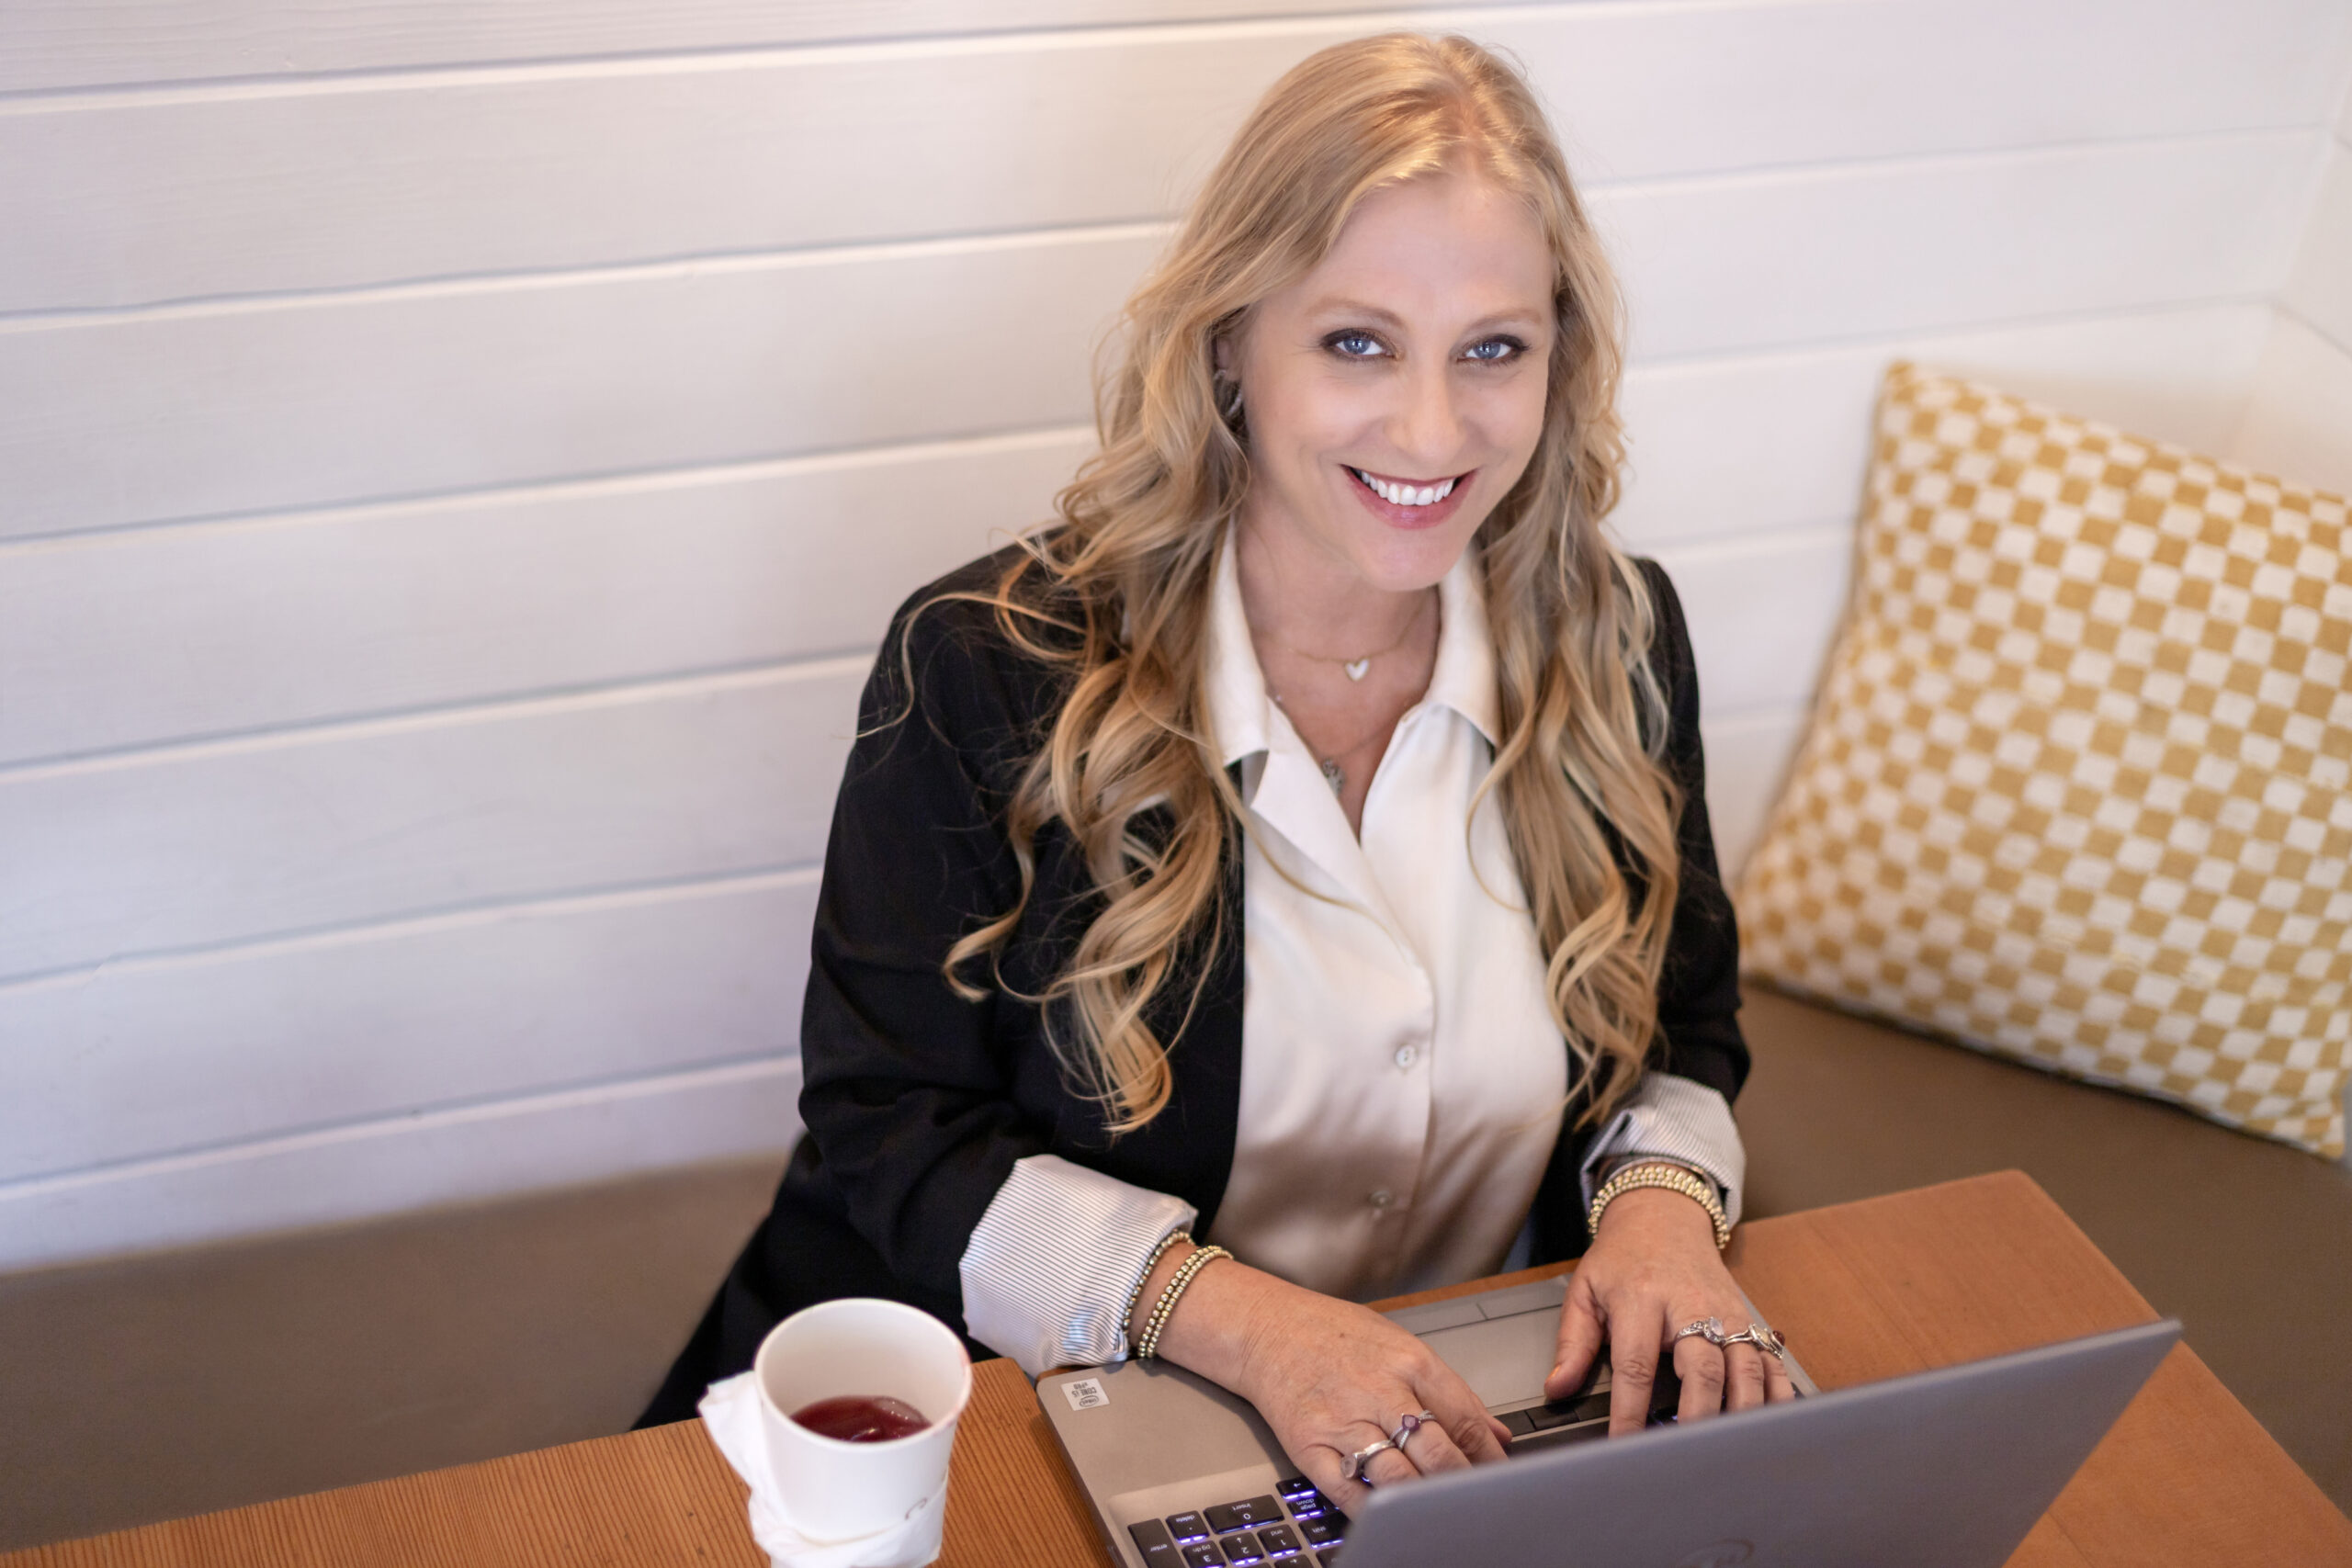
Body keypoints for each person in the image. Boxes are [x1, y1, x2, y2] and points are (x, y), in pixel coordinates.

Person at [639, 31, 1794, 1502]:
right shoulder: (984, 664)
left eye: (1493, 347)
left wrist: (1661, 1206)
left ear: (1560, 356)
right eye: (1358, 342)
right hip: (1009, 1434)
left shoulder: (1621, 639)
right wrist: (1232, 1321)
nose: (1434, 429)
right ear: (1232, 340)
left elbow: (1686, 1023)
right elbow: (891, 1126)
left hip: (1470, 1444)